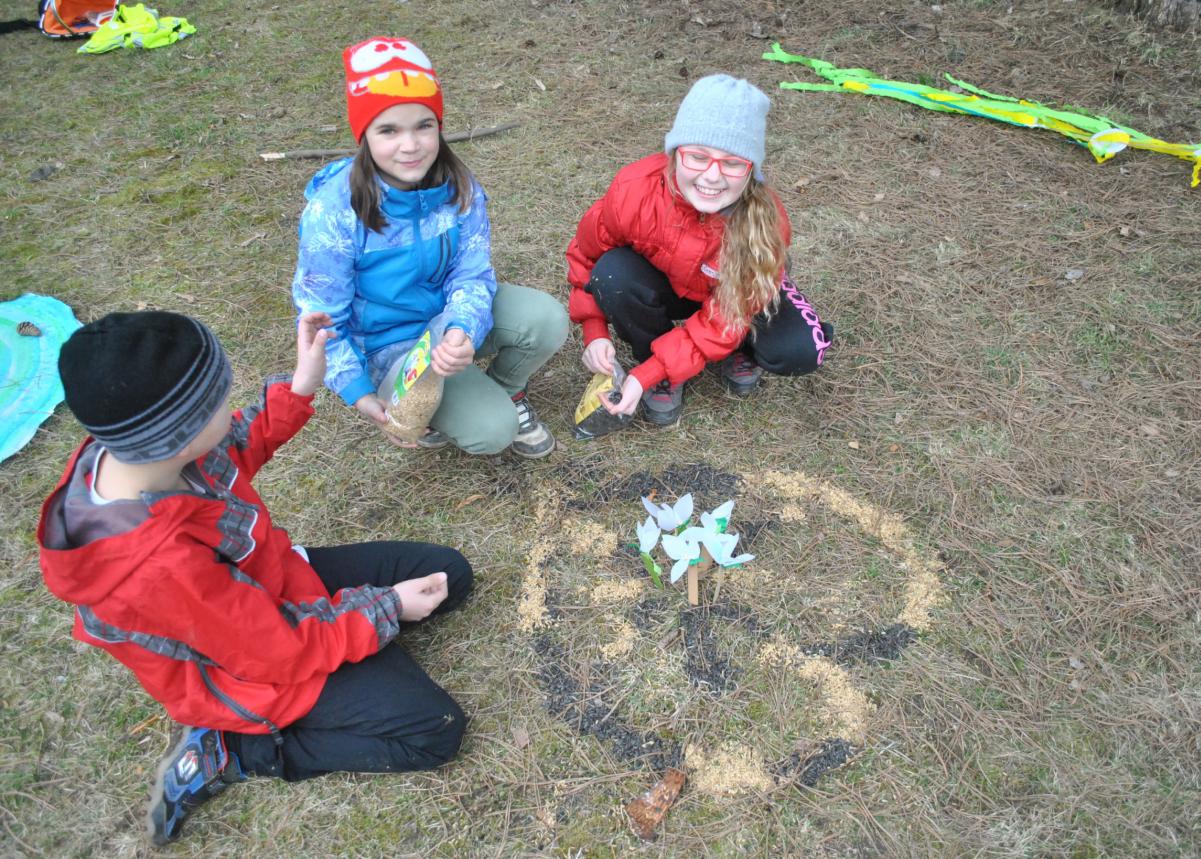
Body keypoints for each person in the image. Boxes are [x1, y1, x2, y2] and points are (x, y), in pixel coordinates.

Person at [38, 310, 474, 845]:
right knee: (435, 732)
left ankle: (358, 650)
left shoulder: (139, 452)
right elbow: (276, 651)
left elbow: (232, 448)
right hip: (253, 667)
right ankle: (237, 751)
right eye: (219, 399)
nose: (229, 404)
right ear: (182, 435)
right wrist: (386, 607)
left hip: (273, 589)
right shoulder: (156, 570)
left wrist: (300, 388)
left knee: (450, 575)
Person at [293, 36, 568, 456]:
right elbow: (321, 319)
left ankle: (506, 389)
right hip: (387, 347)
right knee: (493, 432)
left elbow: (471, 273)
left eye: (424, 125)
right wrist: (359, 392)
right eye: (389, 130)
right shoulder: (333, 212)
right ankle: (433, 402)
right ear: (364, 135)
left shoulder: (459, 186)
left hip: (445, 320)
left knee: (545, 319)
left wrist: (461, 328)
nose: (410, 145)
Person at [566, 74, 834, 426]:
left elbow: (726, 316)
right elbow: (585, 257)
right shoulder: (634, 190)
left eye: (733, 163)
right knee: (612, 272)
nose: (711, 176)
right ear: (675, 154)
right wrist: (595, 331)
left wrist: (641, 377)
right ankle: (658, 357)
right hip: (672, 285)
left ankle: (742, 347)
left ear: (751, 170)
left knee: (800, 348)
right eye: (697, 156)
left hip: (731, 298)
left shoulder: (765, 223)